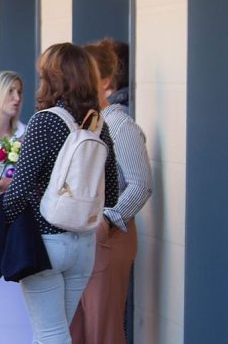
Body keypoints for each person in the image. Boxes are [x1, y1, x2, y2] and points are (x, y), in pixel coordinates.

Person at [0, 42, 119, 344]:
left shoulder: (45, 121)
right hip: (84, 244)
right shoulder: (98, 123)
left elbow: (20, 189)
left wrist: (3, 227)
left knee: (51, 335)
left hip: (46, 242)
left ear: (52, 78)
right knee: (55, 332)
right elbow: (112, 191)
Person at [71, 41, 152, 344]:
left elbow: (141, 183)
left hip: (106, 240)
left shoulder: (120, 124)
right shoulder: (87, 123)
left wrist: (108, 219)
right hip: (80, 239)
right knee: (76, 331)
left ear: (105, 81)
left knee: (102, 331)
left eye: (84, 73)